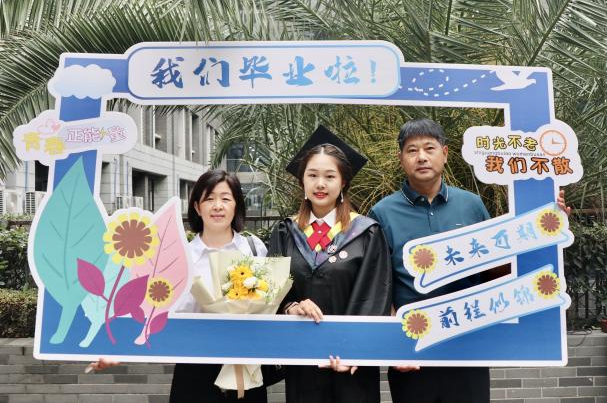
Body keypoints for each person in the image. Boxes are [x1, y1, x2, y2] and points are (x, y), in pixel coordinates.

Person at [368, 118, 570, 403]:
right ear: (401, 158)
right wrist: (396, 346)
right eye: (412, 150)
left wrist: (546, 225)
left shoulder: (471, 204)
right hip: (413, 349)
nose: (421, 157)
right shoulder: (382, 212)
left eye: (429, 148)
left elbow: (496, 268)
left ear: (445, 154)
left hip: (468, 344)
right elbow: (380, 285)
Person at [89, 169, 269, 403]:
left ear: (237, 206)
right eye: (209, 199)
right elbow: (151, 313)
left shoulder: (254, 250)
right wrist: (118, 352)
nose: (217, 206)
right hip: (194, 371)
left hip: (244, 369)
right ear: (197, 207)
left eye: (226, 198)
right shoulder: (179, 257)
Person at [269, 125, 392, 403]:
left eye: (329, 176)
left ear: (343, 182)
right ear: (302, 181)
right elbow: (273, 291)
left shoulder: (366, 232)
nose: (320, 184)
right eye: (312, 175)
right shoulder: (286, 232)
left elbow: (374, 295)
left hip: (351, 365)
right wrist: (291, 307)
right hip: (303, 359)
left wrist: (354, 351)